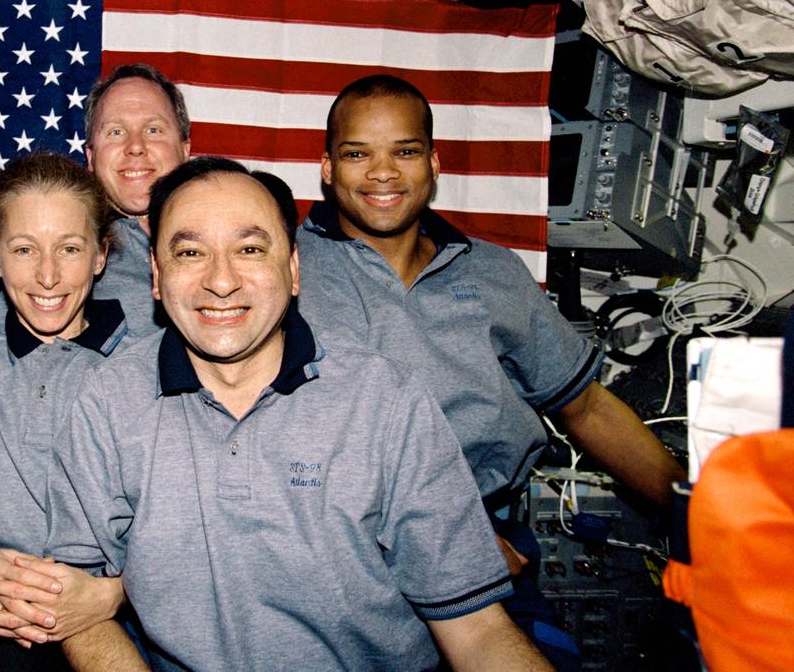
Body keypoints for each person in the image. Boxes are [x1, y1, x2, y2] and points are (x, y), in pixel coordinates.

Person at [47, 157, 552, 671]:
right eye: (190, 252)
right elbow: (80, 609)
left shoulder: (386, 402)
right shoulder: (107, 403)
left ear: (292, 270)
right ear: (156, 276)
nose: (221, 281)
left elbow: (478, 631)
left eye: (249, 249)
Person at [298, 74, 686, 665]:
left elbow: (586, 409)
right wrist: (445, 538)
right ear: (327, 168)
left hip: (498, 538)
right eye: (357, 154)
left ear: (433, 162)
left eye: (404, 151)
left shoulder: (495, 273)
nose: (382, 173)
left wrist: (697, 519)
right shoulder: (283, 268)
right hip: (338, 541)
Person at [0, 152, 146, 671]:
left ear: (101, 255)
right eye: (23, 249)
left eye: (70, 248)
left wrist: (112, 595)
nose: (47, 276)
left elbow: (184, 533)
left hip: (113, 614)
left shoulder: (147, 372)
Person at [84, 63, 191, 336]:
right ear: (90, 157)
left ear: (185, 149)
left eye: (153, 130)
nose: (135, 147)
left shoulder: (235, 241)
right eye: (116, 132)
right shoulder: (61, 256)